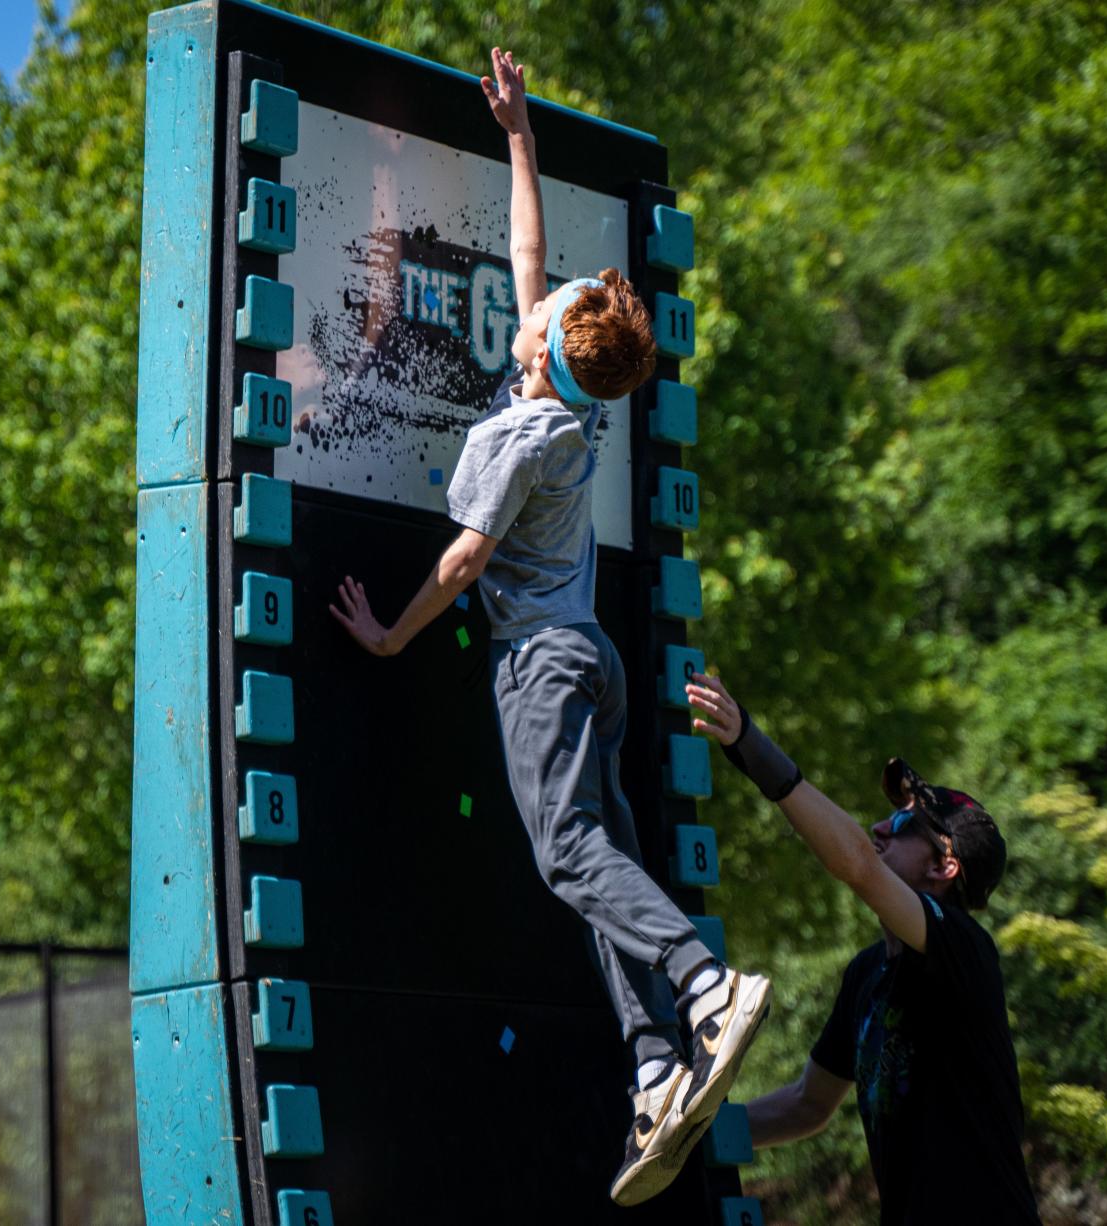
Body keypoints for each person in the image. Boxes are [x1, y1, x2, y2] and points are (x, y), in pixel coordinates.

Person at [329, 47, 771, 1205]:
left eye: (547, 310)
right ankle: (659, 1059)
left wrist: (389, 635)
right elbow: (526, 252)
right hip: (602, 664)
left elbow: (466, 557)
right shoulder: (573, 414)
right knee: (600, 859)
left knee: (568, 854)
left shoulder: (513, 439)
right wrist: (518, 135)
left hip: (544, 667)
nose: (538, 299)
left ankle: (703, 984)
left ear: (538, 349)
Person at [686, 671, 1043, 1225]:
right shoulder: (867, 975)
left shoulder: (963, 948)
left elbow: (856, 862)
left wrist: (749, 744)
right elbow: (809, 1104)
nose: (879, 826)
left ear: (943, 866)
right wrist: (696, 1136)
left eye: (902, 823)